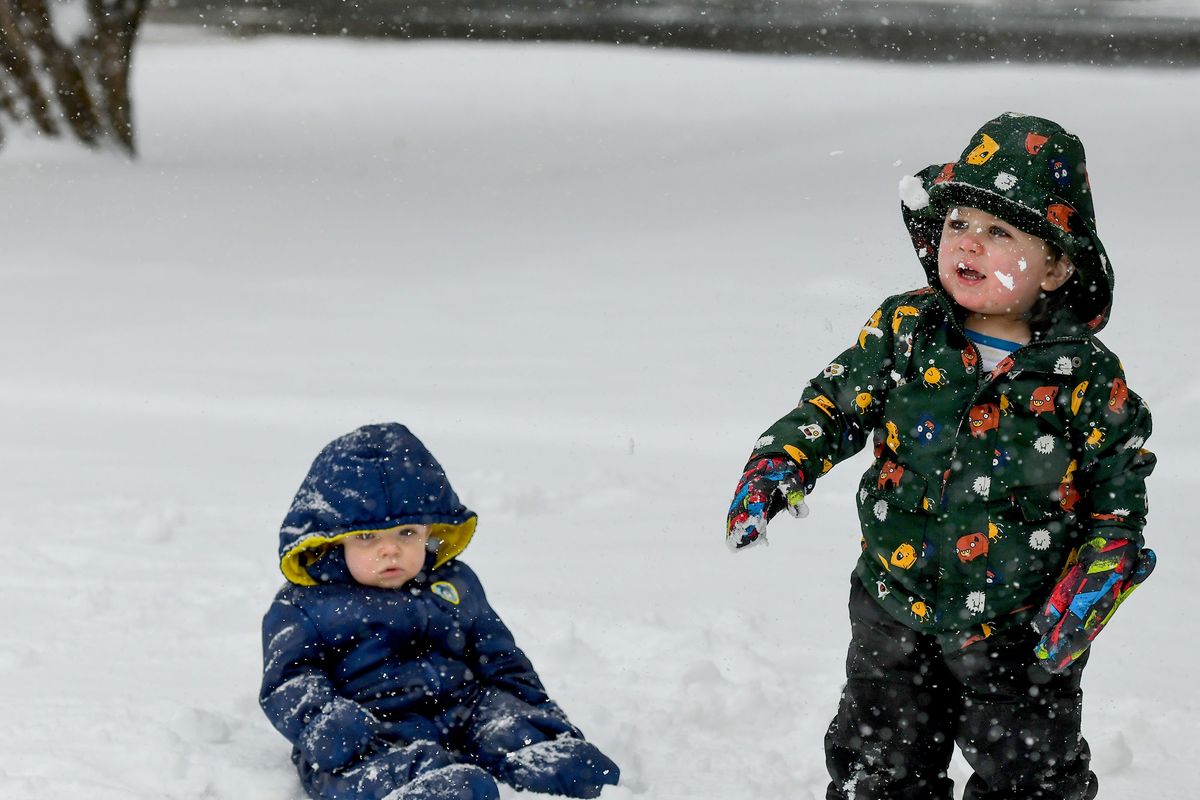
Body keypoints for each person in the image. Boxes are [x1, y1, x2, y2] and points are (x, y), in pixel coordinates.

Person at [724, 113, 1156, 800]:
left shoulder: (1084, 374)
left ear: (1056, 265)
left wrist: (1102, 574)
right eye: (959, 223)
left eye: (1000, 232)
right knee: (880, 763)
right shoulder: (904, 329)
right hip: (895, 607)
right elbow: (833, 406)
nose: (970, 244)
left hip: (1024, 628)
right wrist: (781, 463)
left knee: (1029, 777)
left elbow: (1118, 497)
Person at [260, 423, 620, 800]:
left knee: (508, 724)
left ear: (431, 530)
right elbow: (288, 681)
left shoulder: (454, 584)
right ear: (333, 540)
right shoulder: (306, 605)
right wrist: (330, 724)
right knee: (380, 769)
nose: (391, 550)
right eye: (367, 537)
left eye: (407, 533)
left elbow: (500, 657)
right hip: (372, 726)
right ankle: (422, 787)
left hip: (463, 708)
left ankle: (540, 755)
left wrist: (538, 712)